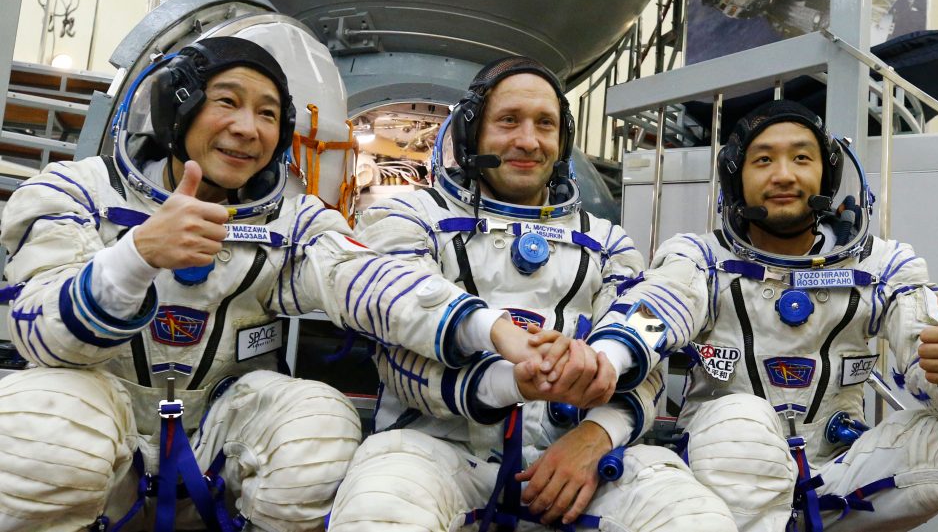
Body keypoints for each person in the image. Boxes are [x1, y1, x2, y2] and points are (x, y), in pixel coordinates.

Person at [0, 34, 545, 532]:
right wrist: (137, 256)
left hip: (218, 431)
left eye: (267, 114)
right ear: (175, 107)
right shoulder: (77, 194)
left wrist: (488, 326)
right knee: (46, 425)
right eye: (227, 102)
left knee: (319, 431)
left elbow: (369, 278)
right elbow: (44, 336)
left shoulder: (290, 222)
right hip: (100, 425)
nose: (247, 128)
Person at [328, 56, 736, 532]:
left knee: (693, 518)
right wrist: (509, 370)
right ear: (471, 133)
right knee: (380, 509)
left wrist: (597, 435)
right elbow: (397, 341)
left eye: (545, 124)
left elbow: (648, 359)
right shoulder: (411, 219)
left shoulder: (606, 242)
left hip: (578, 459)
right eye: (508, 121)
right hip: (439, 452)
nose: (527, 140)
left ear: (562, 142)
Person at [588, 99, 938, 531]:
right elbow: (660, 307)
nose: (783, 174)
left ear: (826, 174)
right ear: (736, 178)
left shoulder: (884, 266)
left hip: (839, 477)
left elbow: (926, 356)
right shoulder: (701, 259)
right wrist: (609, 354)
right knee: (740, 421)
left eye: (801, 157)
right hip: (723, 486)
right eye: (763, 160)